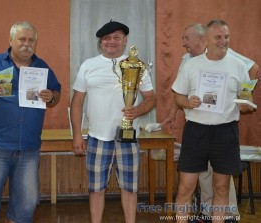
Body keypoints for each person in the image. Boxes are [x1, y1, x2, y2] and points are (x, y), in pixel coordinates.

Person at [162, 23, 258, 223]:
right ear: (206, 40)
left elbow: (245, 96)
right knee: (186, 187)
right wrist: (187, 102)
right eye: (218, 37)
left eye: (226, 37)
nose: (224, 41)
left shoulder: (238, 65)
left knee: (221, 188)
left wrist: (245, 104)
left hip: (226, 132)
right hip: (195, 131)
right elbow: (178, 96)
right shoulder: (191, 65)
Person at [0, 21, 61, 223]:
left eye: (31, 40)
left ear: (36, 43)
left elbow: (56, 93)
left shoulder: (41, 67)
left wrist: (50, 96)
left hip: (29, 147)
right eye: (22, 39)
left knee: (28, 202)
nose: (27, 44)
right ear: (11, 40)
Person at [70, 20, 156, 223]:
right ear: (101, 42)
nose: (111, 42)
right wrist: (76, 134)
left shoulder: (137, 65)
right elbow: (77, 102)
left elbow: (151, 98)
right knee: (96, 188)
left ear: (125, 41)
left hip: (128, 138)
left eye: (116, 38)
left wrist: (138, 110)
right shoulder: (88, 65)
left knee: (129, 188)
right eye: (107, 38)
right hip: (97, 138)